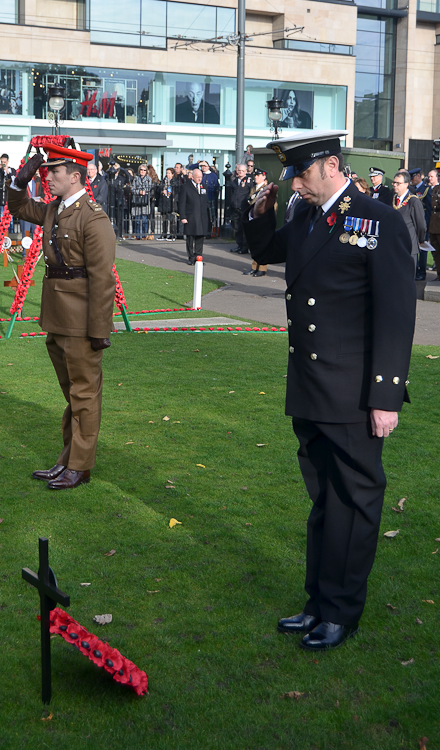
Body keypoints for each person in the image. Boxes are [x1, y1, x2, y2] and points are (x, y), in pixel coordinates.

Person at [243, 131, 416, 651]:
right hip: (313, 387)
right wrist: (260, 208)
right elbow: (266, 250)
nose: (293, 182)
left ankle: (342, 611)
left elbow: (395, 313)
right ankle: (318, 602)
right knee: (324, 500)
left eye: (300, 173)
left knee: (356, 501)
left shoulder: (376, 219)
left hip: (356, 392)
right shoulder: (302, 215)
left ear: (332, 166)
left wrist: (386, 396)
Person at [7, 143, 116, 490]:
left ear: (75, 176)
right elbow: (21, 207)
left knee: (84, 394)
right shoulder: (56, 209)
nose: (47, 176)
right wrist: (17, 183)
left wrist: (99, 329)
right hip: (56, 316)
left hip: (82, 321)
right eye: (46, 171)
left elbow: (103, 279)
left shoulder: (93, 217)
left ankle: (80, 466)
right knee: (72, 394)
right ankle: (68, 460)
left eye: (53, 172)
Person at [392, 171, 426, 279]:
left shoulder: (413, 202)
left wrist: (420, 240)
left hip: (409, 245)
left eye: (398, 183)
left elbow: (420, 225)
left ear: (406, 184)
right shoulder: (393, 199)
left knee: (407, 278)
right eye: (394, 183)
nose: (395, 185)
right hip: (394, 244)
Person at [178, 168, 211, 264]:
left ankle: (198, 257)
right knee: (190, 238)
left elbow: (206, 202)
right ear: (192, 177)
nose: (200, 179)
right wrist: (183, 216)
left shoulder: (203, 187)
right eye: (198, 177)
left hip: (201, 216)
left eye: (201, 177)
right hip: (191, 216)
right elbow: (182, 203)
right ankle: (191, 257)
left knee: (200, 237)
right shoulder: (186, 187)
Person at [243, 169, 270, 277]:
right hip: (254, 219)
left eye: (258, 176)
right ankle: (254, 267)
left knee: (262, 244)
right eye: (255, 175)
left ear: (264, 177)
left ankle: (262, 268)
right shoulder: (254, 188)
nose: (256, 177)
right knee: (255, 244)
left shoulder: (267, 189)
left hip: (263, 220)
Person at [230, 163, 254, 254]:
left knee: (244, 228)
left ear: (246, 172)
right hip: (235, 207)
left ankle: (244, 247)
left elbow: (251, 193)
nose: (240, 172)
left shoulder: (249, 181)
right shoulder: (235, 181)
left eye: (242, 171)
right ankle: (239, 245)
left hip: (244, 208)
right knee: (237, 228)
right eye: (239, 170)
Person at [130, 164, 152, 239]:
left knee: (145, 220)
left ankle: (144, 235)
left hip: (145, 201)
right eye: (141, 170)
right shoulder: (135, 179)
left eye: (144, 170)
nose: (142, 171)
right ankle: (138, 235)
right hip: (137, 201)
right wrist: (139, 191)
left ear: (146, 171)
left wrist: (144, 191)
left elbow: (149, 188)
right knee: (137, 220)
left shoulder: (149, 179)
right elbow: (132, 189)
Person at [157, 167, 176, 241]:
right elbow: (158, 189)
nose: (167, 174)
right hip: (163, 202)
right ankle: (164, 233)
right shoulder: (163, 181)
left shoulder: (174, 182)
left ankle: (172, 234)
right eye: (167, 173)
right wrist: (162, 191)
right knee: (164, 219)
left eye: (169, 173)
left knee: (171, 219)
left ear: (172, 174)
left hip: (171, 202)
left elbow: (176, 190)